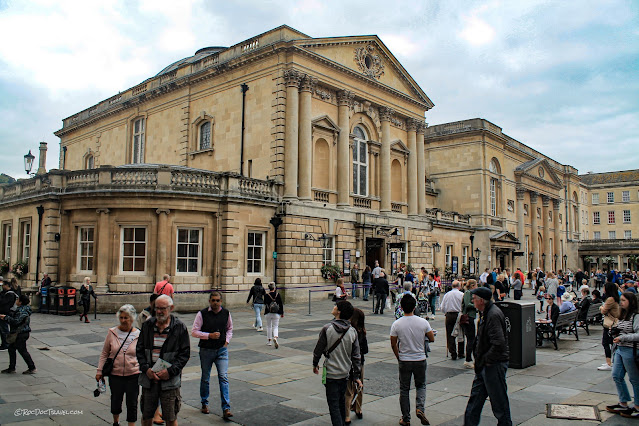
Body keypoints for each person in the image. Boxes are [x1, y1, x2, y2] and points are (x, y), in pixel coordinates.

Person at [138, 295, 190, 426]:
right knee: (146, 416)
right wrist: (146, 369)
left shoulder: (179, 327)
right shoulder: (147, 326)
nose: (159, 311)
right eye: (157, 308)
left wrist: (170, 371)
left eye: (163, 308)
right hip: (149, 379)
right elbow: (139, 350)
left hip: (170, 381)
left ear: (171, 308)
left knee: (171, 417)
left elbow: (184, 354)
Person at [464, 287, 512, 426]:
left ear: (481, 301)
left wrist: (486, 360)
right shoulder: (486, 313)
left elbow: (498, 343)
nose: (472, 301)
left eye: (474, 299)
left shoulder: (493, 315)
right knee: (475, 402)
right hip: (485, 365)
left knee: (499, 403)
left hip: (493, 365)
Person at [312, 300, 362, 426]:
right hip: (345, 373)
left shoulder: (327, 328)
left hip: (330, 373)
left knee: (334, 405)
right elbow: (356, 356)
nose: (333, 307)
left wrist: (315, 363)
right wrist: (356, 376)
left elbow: (318, 349)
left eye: (335, 306)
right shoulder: (352, 331)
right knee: (340, 403)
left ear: (338, 311)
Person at [391, 293, 435, 425]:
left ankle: (406, 418)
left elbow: (393, 343)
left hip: (404, 359)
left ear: (401, 307)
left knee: (404, 389)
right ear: (415, 306)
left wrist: (398, 356)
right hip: (420, 358)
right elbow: (431, 338)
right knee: (421, 385)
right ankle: (420, 408)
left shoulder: (396, 324)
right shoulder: (423, 322)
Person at [191, 291, 233, 419]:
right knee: (205, 377)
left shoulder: (226, 313)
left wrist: (227, 341)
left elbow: (229, 328)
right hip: (206, 350)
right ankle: (204, 403)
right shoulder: (202, 314)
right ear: (209, 301)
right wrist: (208, 335)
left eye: (218, 300)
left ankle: (226, 408)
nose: (215, 303)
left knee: (223, 377)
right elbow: (194, 331)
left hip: (221, 350)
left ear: (221, 301)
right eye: (213, 300)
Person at [96, 304, 141, 426]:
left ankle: (131, 424)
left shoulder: (138, 334)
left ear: (132, 318)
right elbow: (105, 353)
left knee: (132, 402)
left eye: (126, 318)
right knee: (116, 400)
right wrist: (99, 371)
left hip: (133, 374)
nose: (123, 320)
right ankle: (116, 422)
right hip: (115, 374)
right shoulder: (112, 332)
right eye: (121, 317)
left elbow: (142, 354)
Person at [606, 292, 639, 418]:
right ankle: (623, 402)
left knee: (634, 379)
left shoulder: (636, 316)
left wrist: (623, 337)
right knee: (616, 375)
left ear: (631, 302)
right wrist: (614, 332)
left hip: (631, 350)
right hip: (619, 349)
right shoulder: (622, 315)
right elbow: (620, 329)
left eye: (624, 300)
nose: (621, 302)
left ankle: (637, 406)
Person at [0, 294, 36, 374]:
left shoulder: (22, 311)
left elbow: (16, 321)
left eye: (17, 300)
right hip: (20, 332)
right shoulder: (23, 309)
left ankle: (32, 367)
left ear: (20, 302)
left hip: (21, 333)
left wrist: (6, 318)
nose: (16, 301)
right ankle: (12, 367)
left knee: (22, 350)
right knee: (11, 349)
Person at [345, 308, 368, 424]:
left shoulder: (348, 331)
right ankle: (358, 409)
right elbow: (365, 350)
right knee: (359, 386)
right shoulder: (362, 331)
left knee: (348, 389)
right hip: (360, 363)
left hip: (348, 363)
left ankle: (347, 416)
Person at [599, 282, 621, 371]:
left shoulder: (610, 299)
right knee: (611, 343)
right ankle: (611, 361)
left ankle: (609, 363)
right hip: (614, 323)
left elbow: (603, 311)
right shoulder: (615, 298)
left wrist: (601, 307)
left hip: (610, 324)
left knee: (606, 342)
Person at [440, 280, 464, 360]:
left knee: (450, 334)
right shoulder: (461, 294)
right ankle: (461, 352)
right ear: (459, 286)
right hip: (459, 314)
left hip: (449, 314)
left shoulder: (447, 295)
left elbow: (442, 307)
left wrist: (446, 312)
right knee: (460, 333)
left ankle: (453, 353)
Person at [461, 279, 478, 369]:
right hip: (468, 318)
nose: (477, 287)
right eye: (476, 285)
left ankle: (473, 358)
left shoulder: (470, 293)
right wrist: (476, 305)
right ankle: (468, 359)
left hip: (470, 317)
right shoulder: (468, 293)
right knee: (471, 339)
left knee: (472, 339)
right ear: (472, 286)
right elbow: (467, 304)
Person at [0, 277, 18, 349]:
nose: (2, 286)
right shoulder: (4, 293)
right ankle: (4, 343)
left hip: (5, 314)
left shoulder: (10, 294)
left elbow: (3, 303)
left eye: (3, 285)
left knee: (4, 329)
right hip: (2, 313)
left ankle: (6, 344)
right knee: (2, 329)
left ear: (7, 285)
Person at [264, 282, 283, 348]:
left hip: (268, 312)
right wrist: (282, 312)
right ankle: (275, 337)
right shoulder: (278, 295)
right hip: (276, 313)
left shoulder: (266, 295)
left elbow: (265, 303)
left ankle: (269, 341)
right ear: (274, 288)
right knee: (275, 326)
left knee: (269, 327)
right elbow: (281, 304)